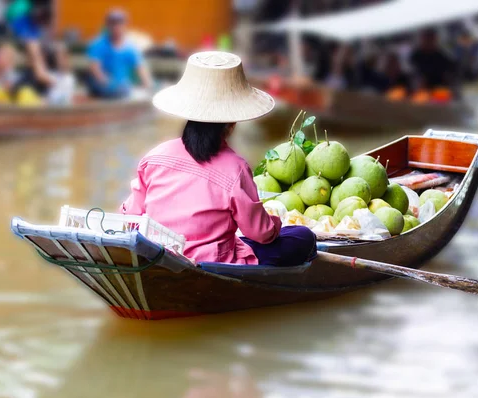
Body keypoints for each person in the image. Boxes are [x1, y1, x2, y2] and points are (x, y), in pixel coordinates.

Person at [122, 51, 317, 266]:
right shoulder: (235, 168)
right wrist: (275, 221)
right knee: (302, 237)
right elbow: (261, 234)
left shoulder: (155, 157)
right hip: (213, 263)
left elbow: (130, 214)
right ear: (232, 124)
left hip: (157, 255)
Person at [86, 9, 152, 99]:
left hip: (123, 87)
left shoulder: (130, 48)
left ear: (125, 25)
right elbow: (95, 69)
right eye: (113, 23)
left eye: (120, 23)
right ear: (107, 25)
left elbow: (140, 68)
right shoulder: (98, 45)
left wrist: (148, 86)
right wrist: (108, 83)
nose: (116, 27)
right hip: (102, 88)